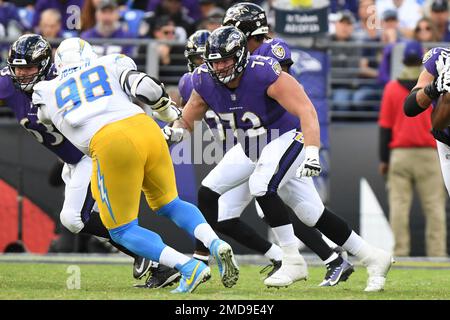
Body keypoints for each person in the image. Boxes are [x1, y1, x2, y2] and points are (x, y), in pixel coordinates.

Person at [173, 25, 394, 291]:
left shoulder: (264, 71)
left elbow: (307, 111)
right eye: (214, 62)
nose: (219, 67)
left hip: (289, 136)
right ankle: (374, 257)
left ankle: (291, 260)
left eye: (225, 60)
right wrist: (173, 132)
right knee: (310, 213)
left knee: (262, 186)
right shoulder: (203, 80)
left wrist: (312, 152)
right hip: (252, 146)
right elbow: (188, 118)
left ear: (241, 55)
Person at [32, 37, 240, 293]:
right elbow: (147, 88)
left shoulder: (46, 89)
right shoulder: (110, 63)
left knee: (121, 230)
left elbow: (44, 118)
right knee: (171, 204)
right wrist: (167, 113)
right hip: (146, 127)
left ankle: (188, 267)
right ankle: (215, 243)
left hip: (110, 142)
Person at [0, 34, 160, 282]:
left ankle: (153, 253)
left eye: (28, 68)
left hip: (93, 154)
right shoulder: (8, 83)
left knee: (74, 218)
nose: (22, 74)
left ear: (44, 65)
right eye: (17, 68)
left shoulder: (65, 79)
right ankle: (154, 259)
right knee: (97, 221)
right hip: (72, 160)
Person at [379, 41, 447, 257]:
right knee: (434, 207)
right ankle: (437, 254)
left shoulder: (391, 87)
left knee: (399, 206)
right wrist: (435, 88)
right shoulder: (438, 66)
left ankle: (400, 252)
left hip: (402, 153)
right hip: (430, 151)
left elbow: (385, 127)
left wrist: (384, 159)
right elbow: (411, 108)